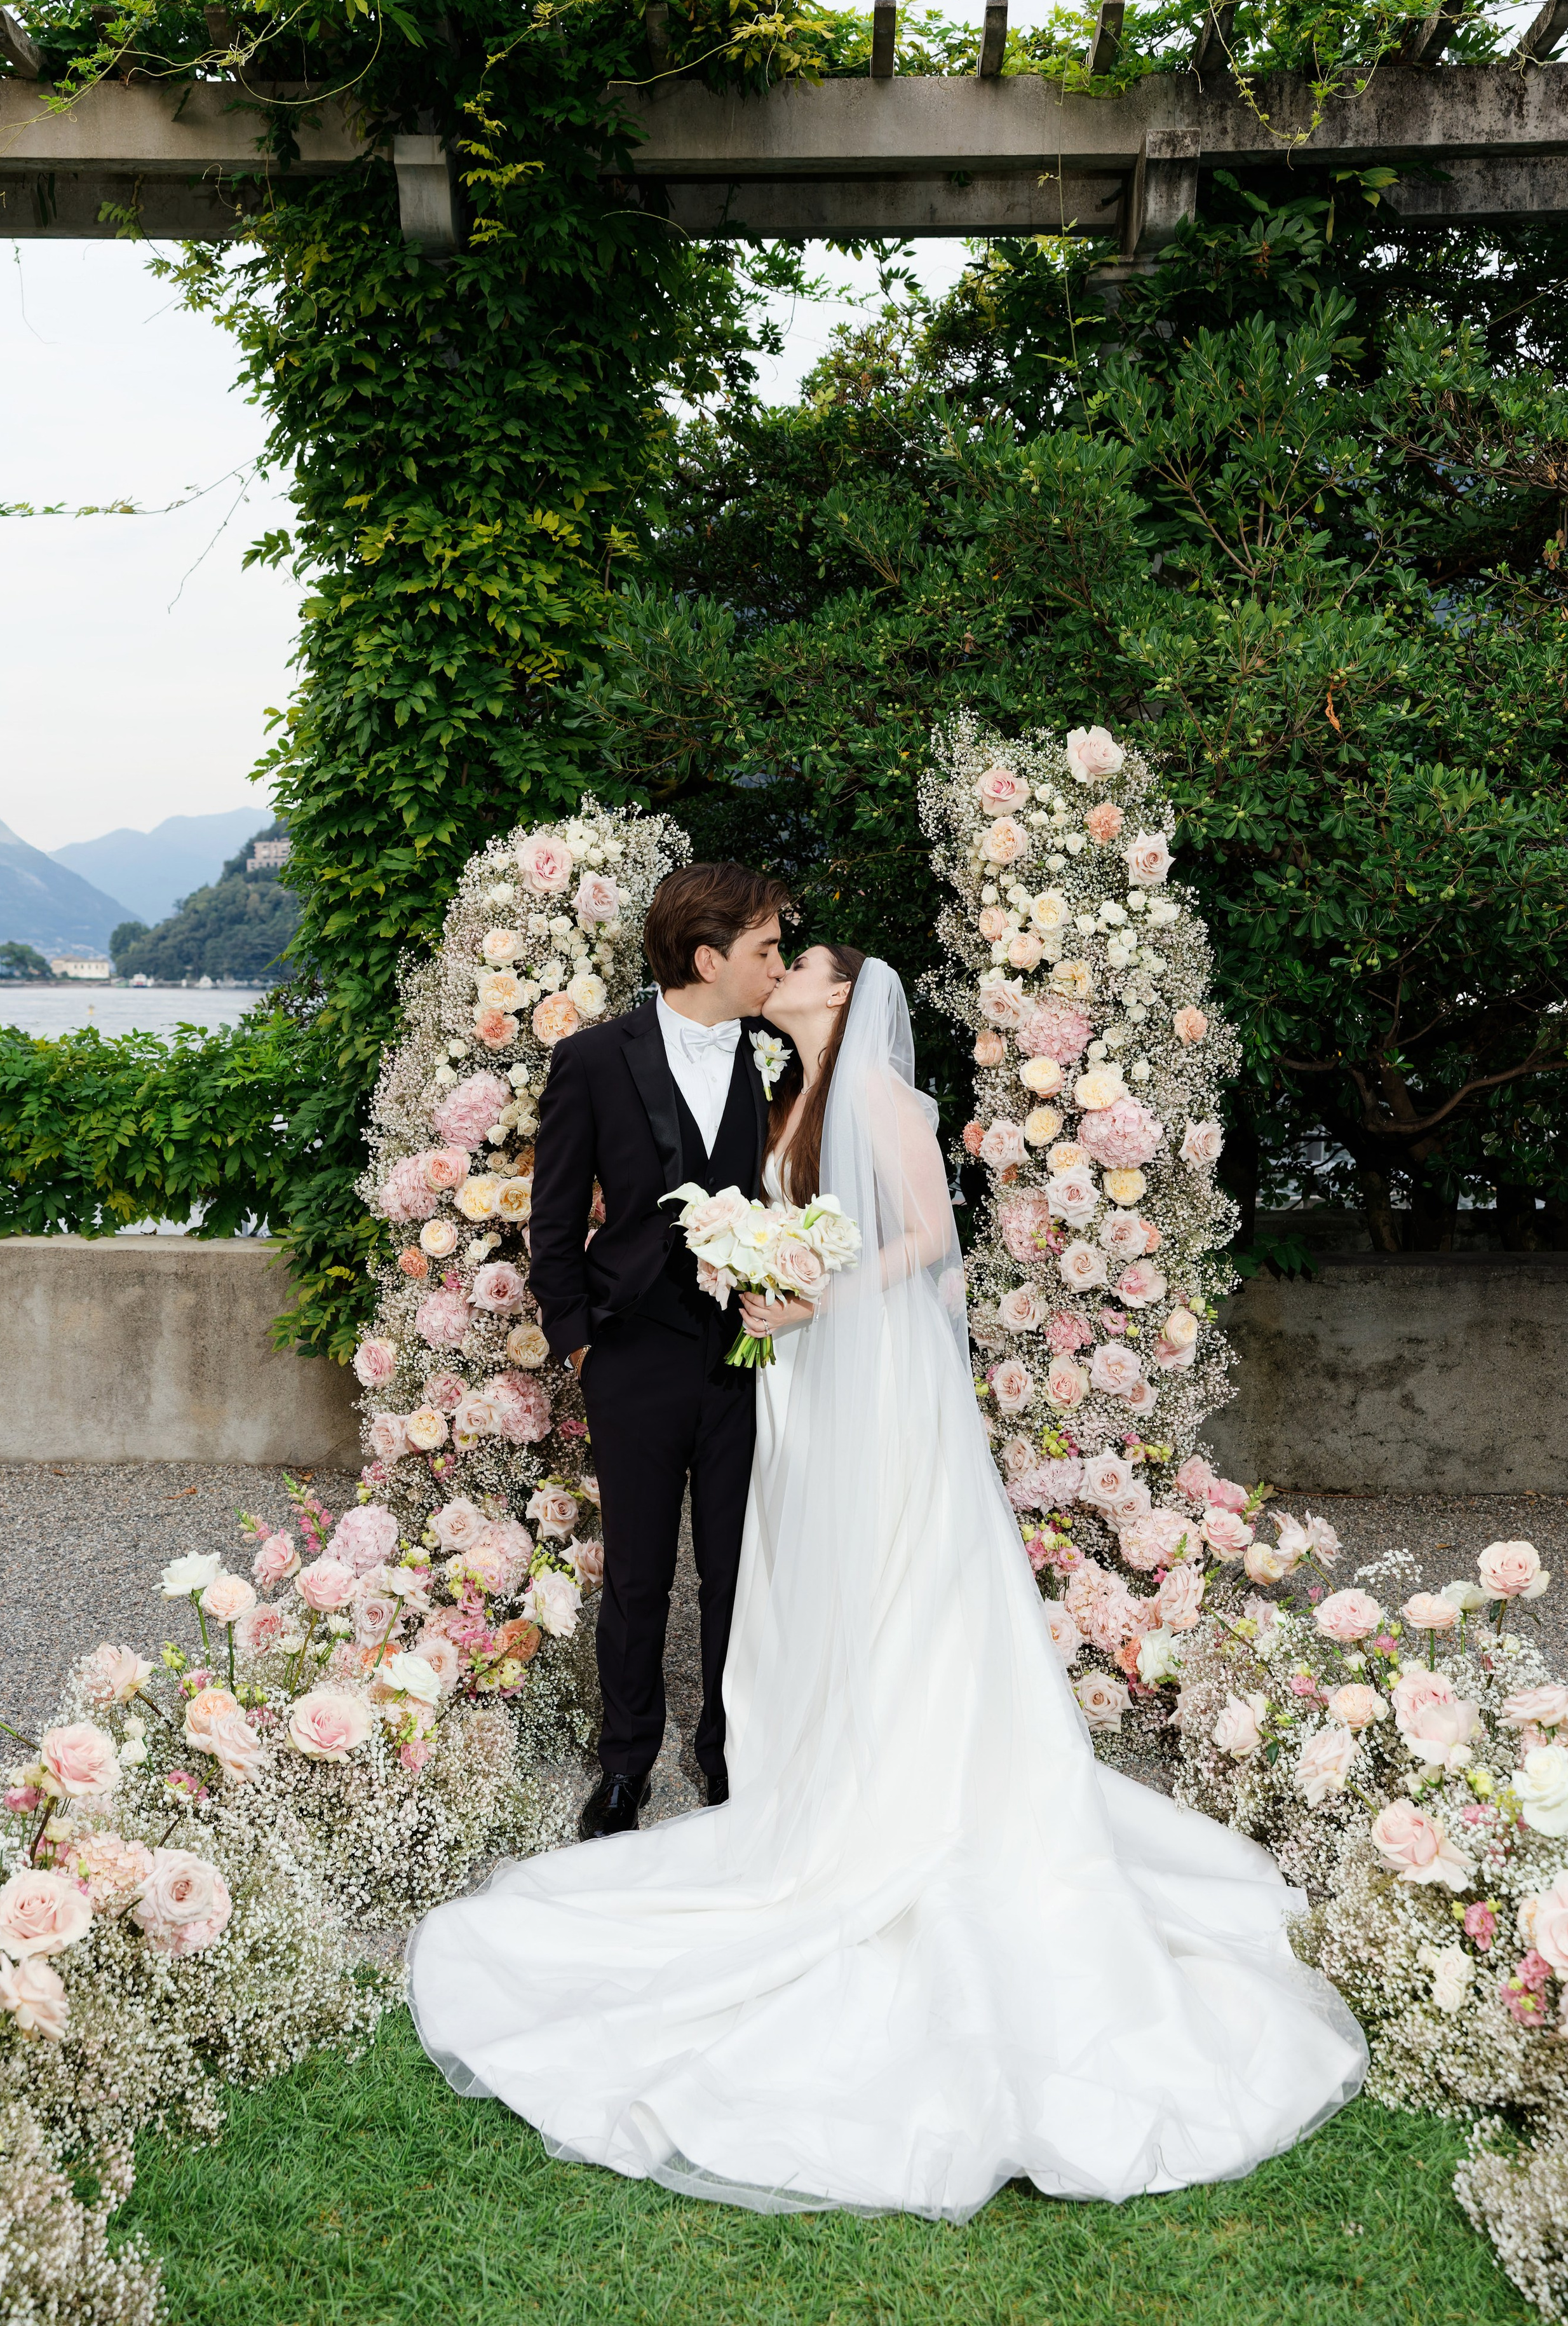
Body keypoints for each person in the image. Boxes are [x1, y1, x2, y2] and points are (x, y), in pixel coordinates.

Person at [410, 948, 1367, 2219]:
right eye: (782, 952)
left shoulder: (878, 1102)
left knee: (900, 1594)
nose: (790, 965)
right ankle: (813, 1775)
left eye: (804, 961)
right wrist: (751, 1279)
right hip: (799, 1390)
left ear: (846, 1001)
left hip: (864, 1388)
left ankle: (901, 1797)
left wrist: (812, 1292)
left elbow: (924, 1238)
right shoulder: (783, 1092)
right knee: (813, 1600)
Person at [525, 859, 788, 1840]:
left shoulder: (782, 1055)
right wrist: (581, 1345)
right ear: (707, 955)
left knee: (737, 1569)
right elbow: (553, 1223)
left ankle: (730, 1755)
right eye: (765, 946)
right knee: (637, 1574)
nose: (778, 963)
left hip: (749, 1359)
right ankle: (626, 1766)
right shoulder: (595, 1059)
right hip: (632, 1353)